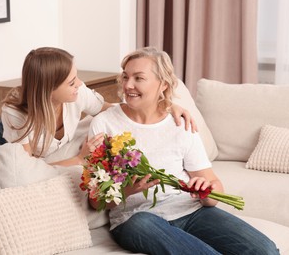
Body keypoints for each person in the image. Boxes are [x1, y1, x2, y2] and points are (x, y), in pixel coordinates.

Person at [88, 47, 279, 255]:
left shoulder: (180, 123)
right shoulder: (105, 124)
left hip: (190, 210)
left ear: (163, 84)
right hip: (136, 219)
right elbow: (96, 201)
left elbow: (215, 189)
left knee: (265, 250)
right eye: (125, 77)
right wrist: (128, 190)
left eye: (138, 78)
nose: (128, 85)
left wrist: (205, 192)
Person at [0, 47, 196, 167]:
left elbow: (114, 109)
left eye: (76, 77)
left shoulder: (78, 93)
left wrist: (164, 106)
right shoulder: (16, 115)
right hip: (6, 146)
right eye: (71, 82)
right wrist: (78, 159)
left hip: (50, 153)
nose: (79, 84)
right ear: (49, 89)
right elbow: (26, 170)